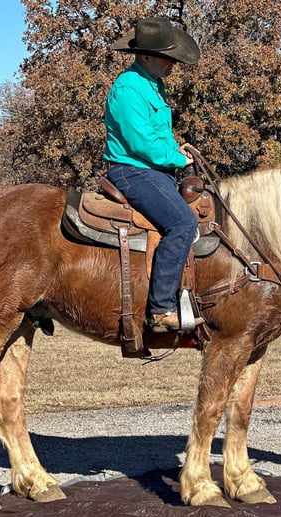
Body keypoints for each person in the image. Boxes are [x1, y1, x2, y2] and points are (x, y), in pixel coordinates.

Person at [104, 17, 205, 333]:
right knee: (182, 223)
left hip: (153, 170)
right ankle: (161, 309)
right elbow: (140, 142)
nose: (173, 64)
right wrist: (177, 158)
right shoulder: (128, 90)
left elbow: (156, 134)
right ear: (145, 56)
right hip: (132, 171)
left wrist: (177, 149)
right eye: (168, 57)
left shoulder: (152, 85)